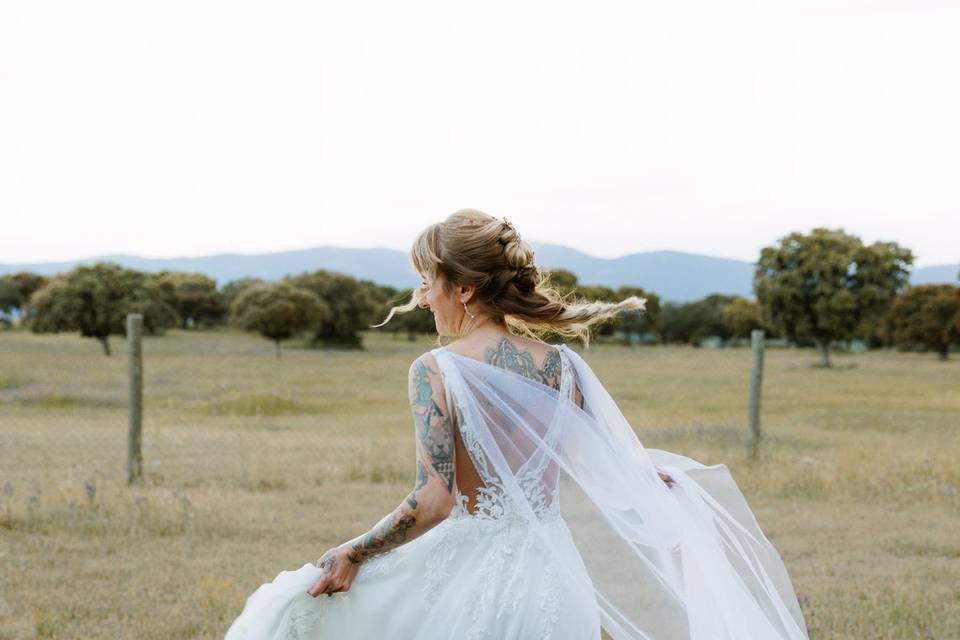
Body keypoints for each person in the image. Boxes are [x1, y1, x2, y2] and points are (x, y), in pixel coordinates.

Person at [224, 209, 810, 639]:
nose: (423, 299)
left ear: (465, 288)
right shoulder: (564, 367)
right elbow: (600, 466)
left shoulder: (436, 372)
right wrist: (655, 481)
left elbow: (434, 501)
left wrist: (353, 552)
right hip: (558, 588)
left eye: (428, 284)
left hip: (472, 585)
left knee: (293, 615)